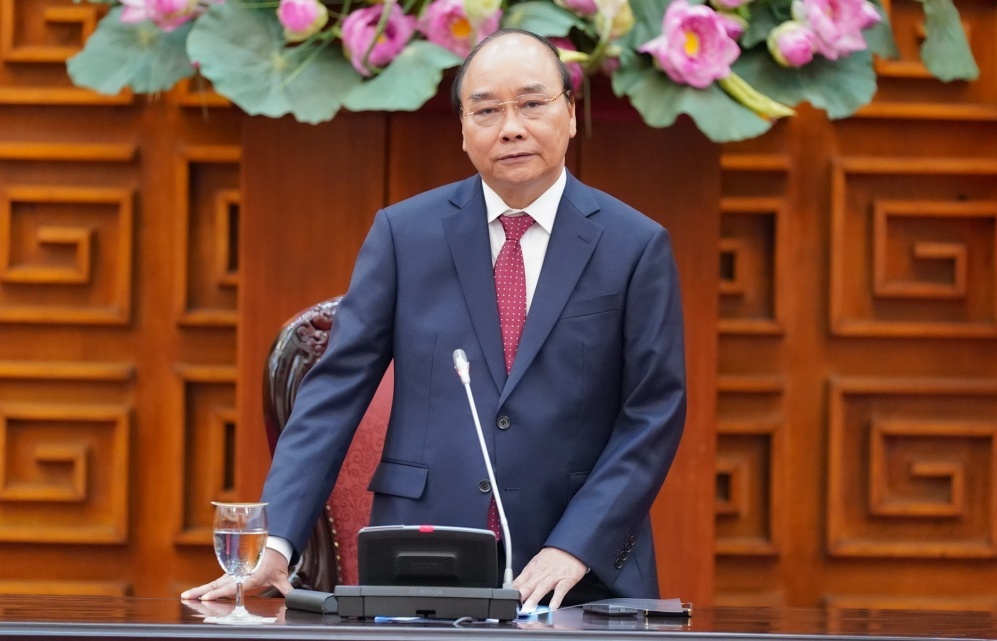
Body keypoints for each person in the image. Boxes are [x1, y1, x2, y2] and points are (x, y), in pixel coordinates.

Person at [182, 27, 686, 612]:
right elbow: (334, 394)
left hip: (580, 571)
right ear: (463, 131)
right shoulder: (405, 235)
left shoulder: (635, 246)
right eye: (487, 110)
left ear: (570, 114)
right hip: (420, 560)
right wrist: (276, 543)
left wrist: (576, 545)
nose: (512, 127)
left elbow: (653, 413)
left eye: (532, 103)